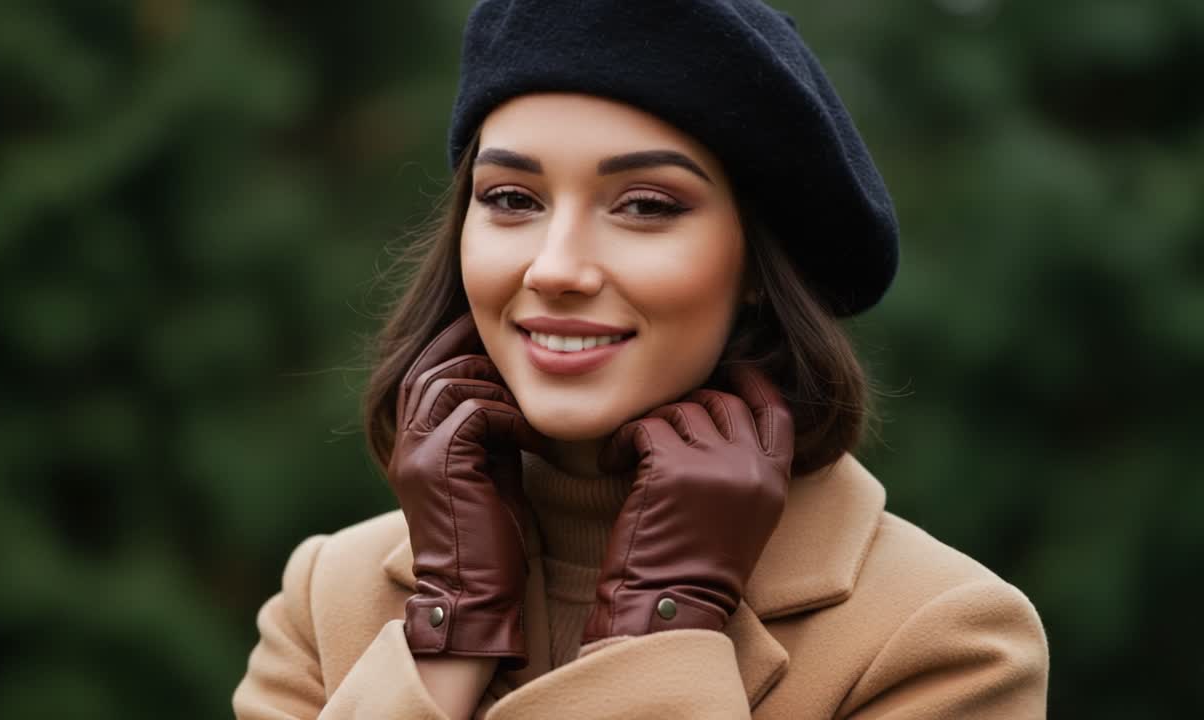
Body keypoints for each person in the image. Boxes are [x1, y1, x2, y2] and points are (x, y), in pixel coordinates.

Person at [233, 1, 1049, 718]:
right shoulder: (328, 597)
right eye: (512, 198)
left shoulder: (940, 636)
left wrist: (660, 621)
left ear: (761, 268)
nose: (555, 267)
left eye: (646, 206)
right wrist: (450, 628)